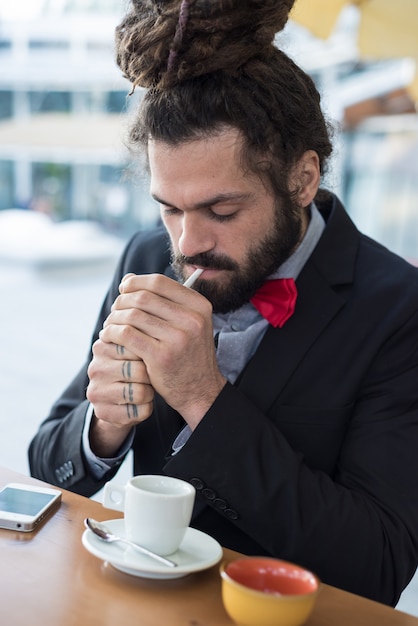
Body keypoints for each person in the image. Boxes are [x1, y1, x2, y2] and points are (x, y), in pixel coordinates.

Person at [29, 0, 418, 606]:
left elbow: (377, 566)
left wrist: (201, 398)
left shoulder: (399, 309)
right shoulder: (145, 253)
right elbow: (46, 461)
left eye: (222, 211)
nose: (188, 244)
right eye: (169, 207)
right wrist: (103, 425)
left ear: (303, 178)